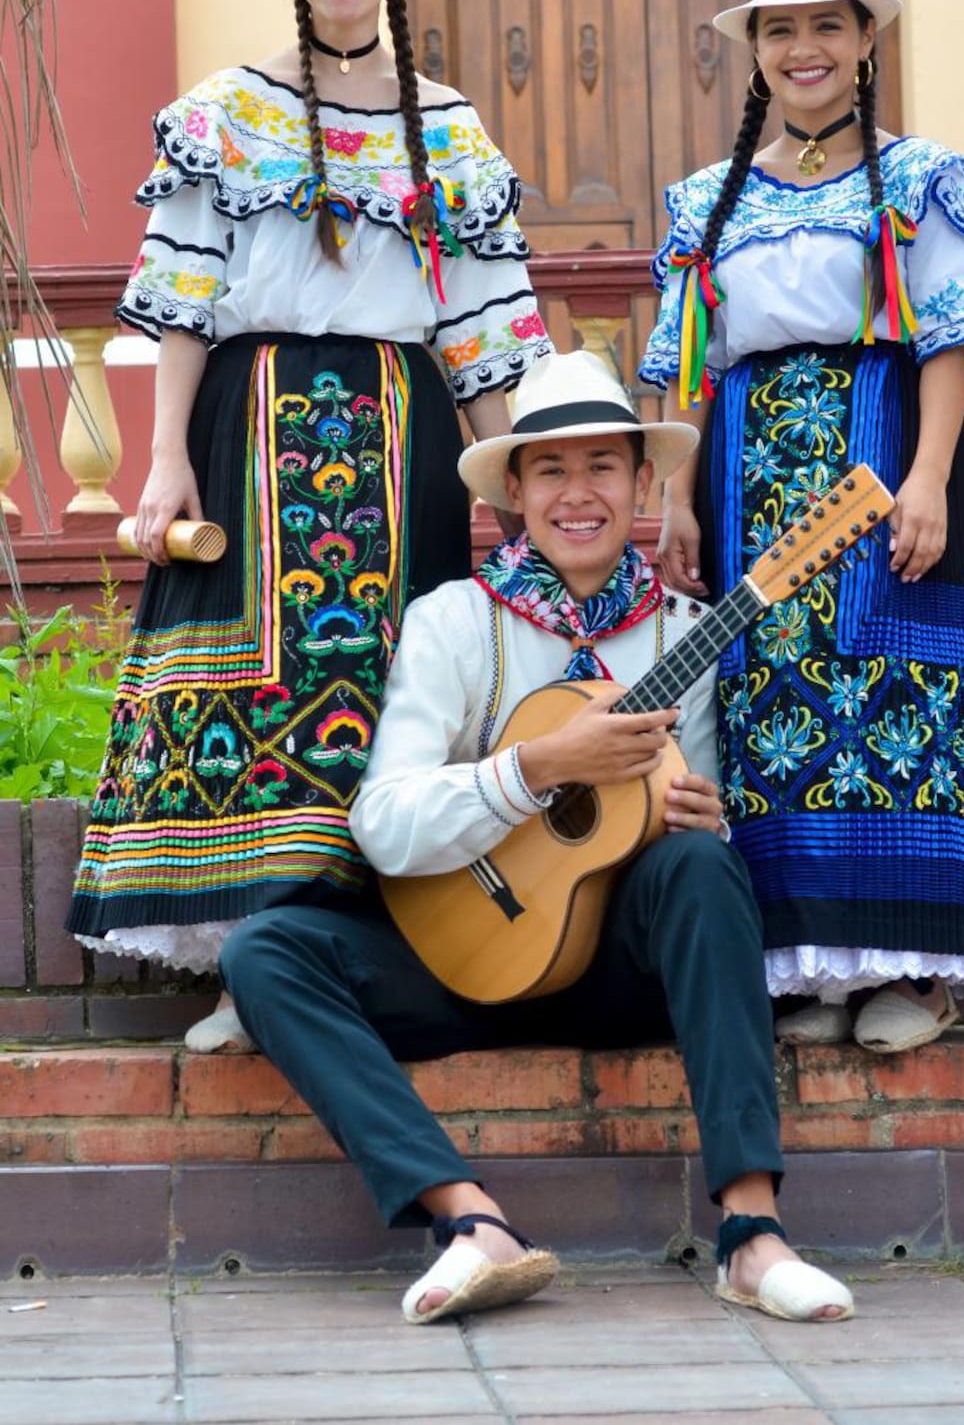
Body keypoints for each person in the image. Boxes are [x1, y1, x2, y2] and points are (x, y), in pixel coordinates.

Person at [220, 350, 855, 1326]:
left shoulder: (687, 635)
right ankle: (472, 1222)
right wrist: (538, 767)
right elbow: (383, 823)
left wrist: (699, 812)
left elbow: (700, 830)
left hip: (608, 970)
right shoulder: (455, 623)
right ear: (513, 490)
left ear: (643, 482)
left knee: (702, 863)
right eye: (551, 470)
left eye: (603, 465)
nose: (579, 493)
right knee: (265, 951)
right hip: (457, 956)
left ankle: (750, 1235)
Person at [66, 0, 551, 1051]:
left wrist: (524, 488)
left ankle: (392, 959)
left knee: (397, 686)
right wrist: (166, 453)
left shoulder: (450, 131)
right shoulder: (225, 115)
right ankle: (255, 968)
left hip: (407, 437)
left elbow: (488, 334)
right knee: (257, 689)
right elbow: (182, 299)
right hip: (251, 424)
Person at [639, 0, 964, 1054]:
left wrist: (930, 478)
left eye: (826, 25)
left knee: (896, 697)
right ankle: (806, 964)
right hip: (752, 476)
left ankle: (919, 972)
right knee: (774, 709)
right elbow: (692, 368)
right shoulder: (709, 200)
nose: (805, 47)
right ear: (753, 48)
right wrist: (682, 496)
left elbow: (944, 336)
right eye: (781, 28)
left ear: (862, 39)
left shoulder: (913, 178)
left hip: (884, 457)